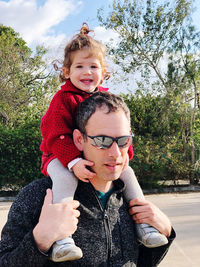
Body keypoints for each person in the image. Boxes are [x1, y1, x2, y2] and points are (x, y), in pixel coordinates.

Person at [39, 23, 168, 262]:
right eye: (79, 66)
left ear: (103, 71)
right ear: (67, 71)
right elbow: (56, 135)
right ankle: (61, 237)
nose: (87, 72)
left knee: (128, 173)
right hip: (58, 155)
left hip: (77, 155)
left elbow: (120, 131)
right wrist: (73, 161)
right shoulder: (62, 99)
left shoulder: (106, 100)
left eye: (93, 66)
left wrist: (124, 155)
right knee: (66, 179)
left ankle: (145, 225)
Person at [0, 92, 175, 266]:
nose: (115, 153)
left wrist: (166, 231)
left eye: (123, 140)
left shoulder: (130, 201)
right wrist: (39, 240)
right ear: (78, 139)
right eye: (102, 140)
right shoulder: (39, 197)